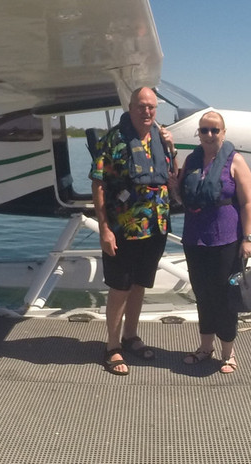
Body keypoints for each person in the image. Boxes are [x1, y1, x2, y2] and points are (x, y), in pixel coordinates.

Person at [89, 86, 177, 376]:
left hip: (156, 226)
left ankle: (131, 336)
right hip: (123, 227)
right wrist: (104, 229)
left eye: (151, 106)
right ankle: (112, 346)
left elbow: (170, 176)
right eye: (141, 106)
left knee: (140, 284)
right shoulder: (114, 140)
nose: (147, 111)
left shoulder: (160, 138)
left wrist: (173, 148)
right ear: (130, 107)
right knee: (120, 287)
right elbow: (99, 184)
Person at [176, 110, 251, 374]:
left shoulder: (235, 161)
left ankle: (228, 353)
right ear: (198, 133)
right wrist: (171, 182)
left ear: (223, 132)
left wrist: (248, 238)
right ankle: (205, 347)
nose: (209, 135)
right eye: (204, 130)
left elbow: (246, 202)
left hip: (226, 240)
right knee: (202, 293)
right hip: (195, 239)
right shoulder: (192, 160)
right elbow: (182, 198)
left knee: (224, 296)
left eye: (214, 130)